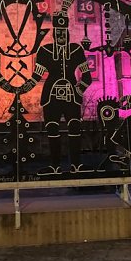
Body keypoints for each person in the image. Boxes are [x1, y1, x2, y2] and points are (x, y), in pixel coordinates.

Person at [35, 9, 93, 174]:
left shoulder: (76, 51)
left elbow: (87, 77)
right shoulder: (45, 51)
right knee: (52, 130)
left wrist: (77, 93)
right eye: (58, 32)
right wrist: (20, 88)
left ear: (67, 33)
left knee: (74, 128)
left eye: (63, 32)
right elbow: (36, 76)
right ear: (54, 34)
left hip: (71, 98)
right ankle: (55, 166)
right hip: (50, 98)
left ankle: (75, 165)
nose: (61, 36)